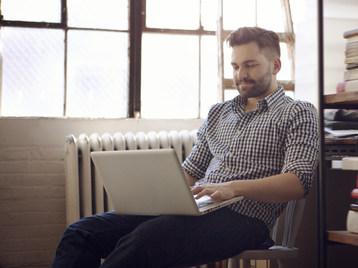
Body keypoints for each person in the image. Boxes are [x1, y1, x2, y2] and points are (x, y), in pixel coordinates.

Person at [51, 26, 319, 268]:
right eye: (235, 66)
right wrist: (157, 194)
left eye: (250, 65)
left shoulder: (298, 112)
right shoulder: (219, 112)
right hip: (197, 210)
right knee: (81, 232)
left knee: (145, 240)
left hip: (246, 220)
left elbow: (298, 182)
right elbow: (191, 171)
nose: (241, 74)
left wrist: (233, 187)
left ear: (275, 65)